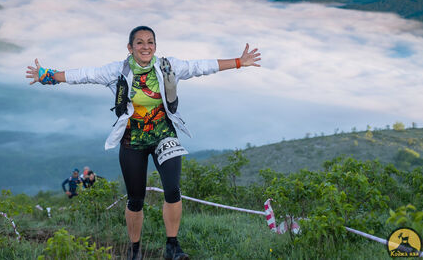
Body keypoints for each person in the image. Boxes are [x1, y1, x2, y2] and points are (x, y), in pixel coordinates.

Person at [26, 25, 261, 260]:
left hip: (164, 135)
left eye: (150, 42)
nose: (145, 46)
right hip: (132, 140)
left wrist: (239, 62)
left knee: (172, 189)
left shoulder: (168, 66)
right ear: (130, 47)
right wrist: (47, 76)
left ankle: (172, 247)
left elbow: (201, 66)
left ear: (156, 46)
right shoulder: (117, 71)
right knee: (135, 199)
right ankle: (135, 249)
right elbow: (83, 75)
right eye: (139, 42)